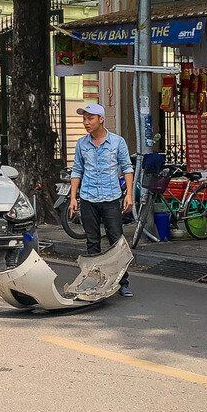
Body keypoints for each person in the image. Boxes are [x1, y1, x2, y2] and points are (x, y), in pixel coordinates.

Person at [69, 103, 135, 298]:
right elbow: (77, 170)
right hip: (88, 198)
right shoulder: (82, 144)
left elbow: (127, 168)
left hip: (111, 198)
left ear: (101, 119)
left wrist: (129, 194)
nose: (86, 122)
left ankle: (123, 282)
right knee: (92, 242)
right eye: (84, 119)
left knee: (116, 241)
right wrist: (73, 197)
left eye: (90, 119)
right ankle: (93, 283)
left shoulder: (117, 142)